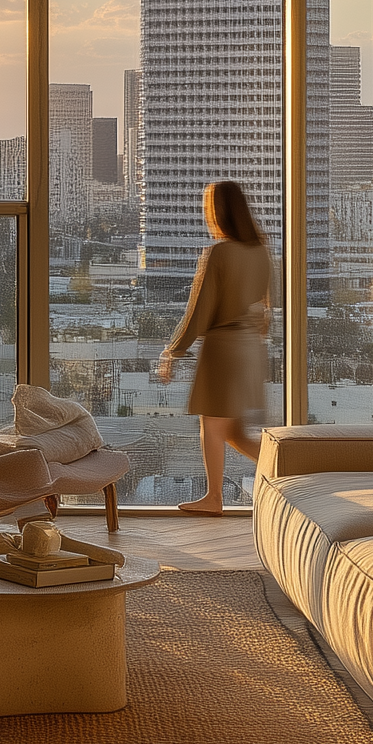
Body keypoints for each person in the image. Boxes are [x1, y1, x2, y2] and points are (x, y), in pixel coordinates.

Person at [153, 179, 270, 515]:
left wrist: (173, 351)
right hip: (250, 349)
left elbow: (199, 311)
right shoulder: (261, 250)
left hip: (223, 348)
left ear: (218, 212)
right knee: (235, 432)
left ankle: (213, 498)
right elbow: (265, 311)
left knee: (212, 427)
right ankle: (292, 470)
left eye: (208, 207)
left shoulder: (218, 253)